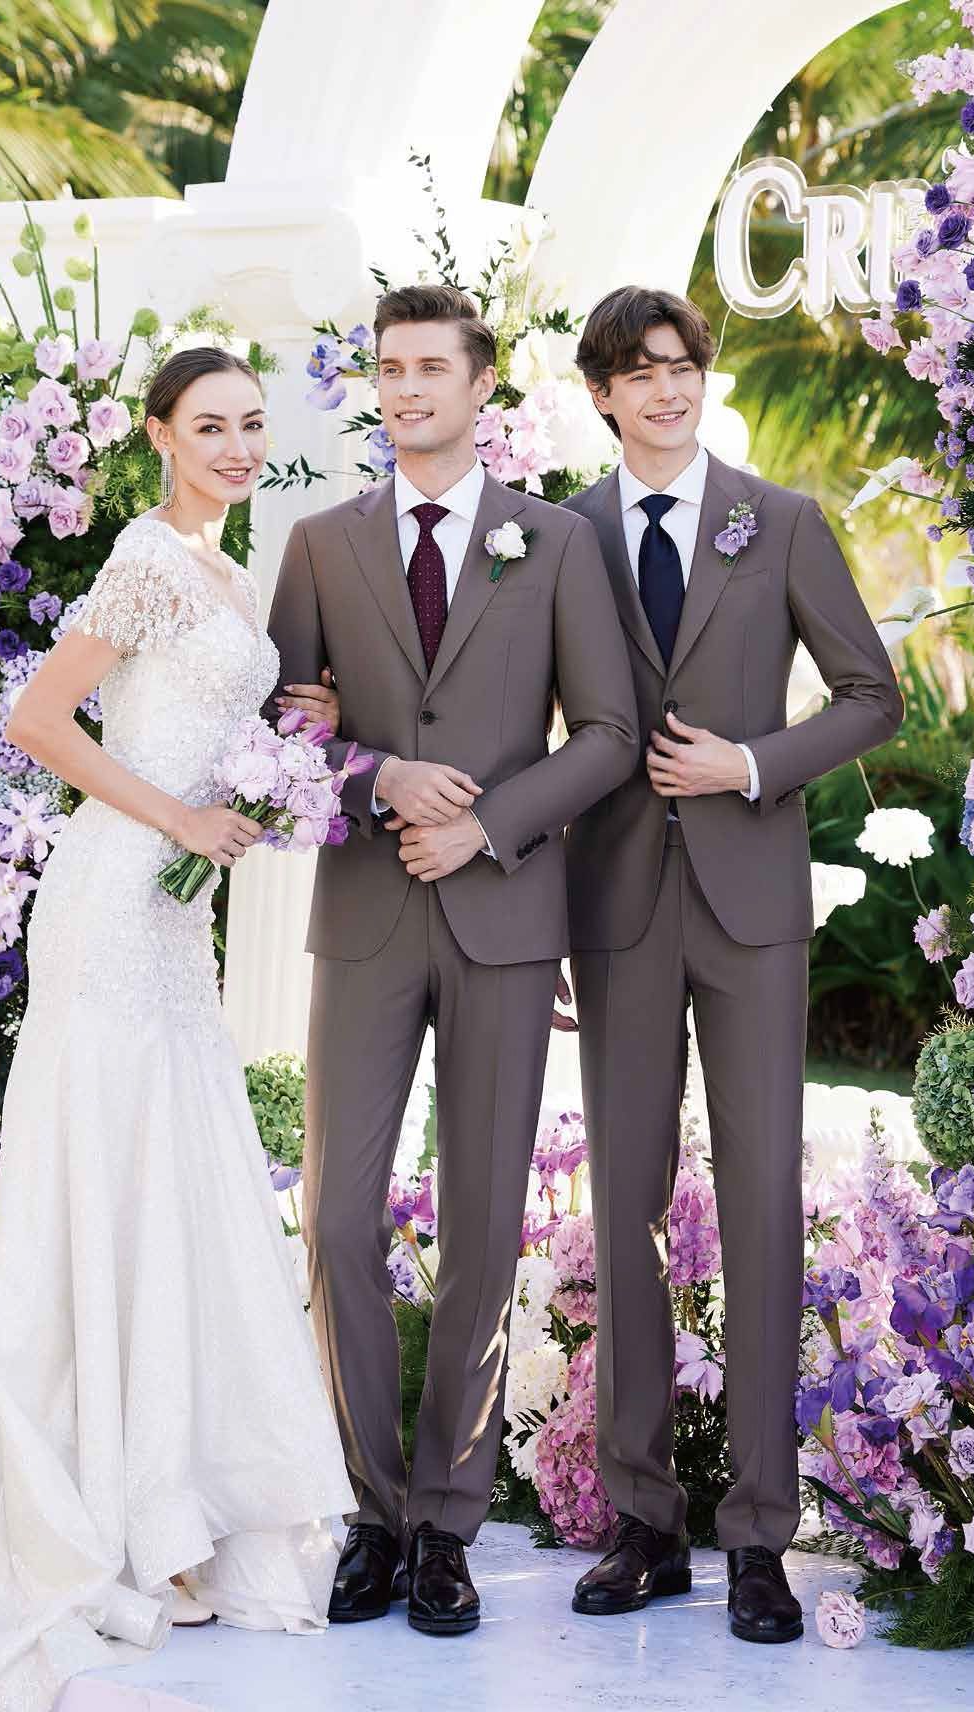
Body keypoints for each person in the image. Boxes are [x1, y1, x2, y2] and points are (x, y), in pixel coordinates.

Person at [0, 347, 354, 1710]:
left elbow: (195, 713)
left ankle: (173, 1519)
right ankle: (110, 1527)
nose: (240, 445)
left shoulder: (221, 569)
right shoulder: (144, 558)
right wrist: (181, 815)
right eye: (212, 426)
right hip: (111, 893)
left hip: (169, 913)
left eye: (255, 424)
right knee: (112, 1175)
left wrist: (280, 742)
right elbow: (35, 719)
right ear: (158, 435)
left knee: (173, 1183)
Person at [266, 284, 639, 1637]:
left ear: (483, 385)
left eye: (431, 366)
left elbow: (604, 733)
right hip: (364, 914)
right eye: (387, 368)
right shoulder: (318, 544)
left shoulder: (552, 544)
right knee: (339, 1217)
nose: (406, 386)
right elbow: (281, 733)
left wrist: (482, 824)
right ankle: (371, 1509)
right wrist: (379, 778)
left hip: (499, 915)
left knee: (483, 1226)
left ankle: (446, 1525)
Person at [562, 287, 903, 1644]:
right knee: (622, 1215)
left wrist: (750, 764)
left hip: (752, 905)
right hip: (617, 909)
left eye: (683, 367)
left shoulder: (785, 523)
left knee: (760, 1201)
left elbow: (869, 692)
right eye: (639, 373)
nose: (666, 390)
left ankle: (759, 1534)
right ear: (598, 392)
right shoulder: (561, 537)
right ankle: (643, 1524)